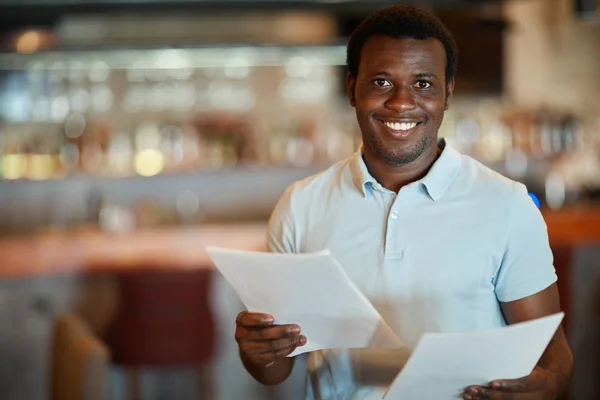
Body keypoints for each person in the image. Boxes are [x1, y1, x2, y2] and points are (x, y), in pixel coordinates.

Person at [234, 5, 573, 400]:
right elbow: (275, 371)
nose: (401, 102)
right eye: (381, 81)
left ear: (447, 93)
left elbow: (554, 356)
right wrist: (259, 352)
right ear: (351, 89)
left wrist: (545, 387)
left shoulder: (508, 205)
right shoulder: (300, 206)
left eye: (424, 84)